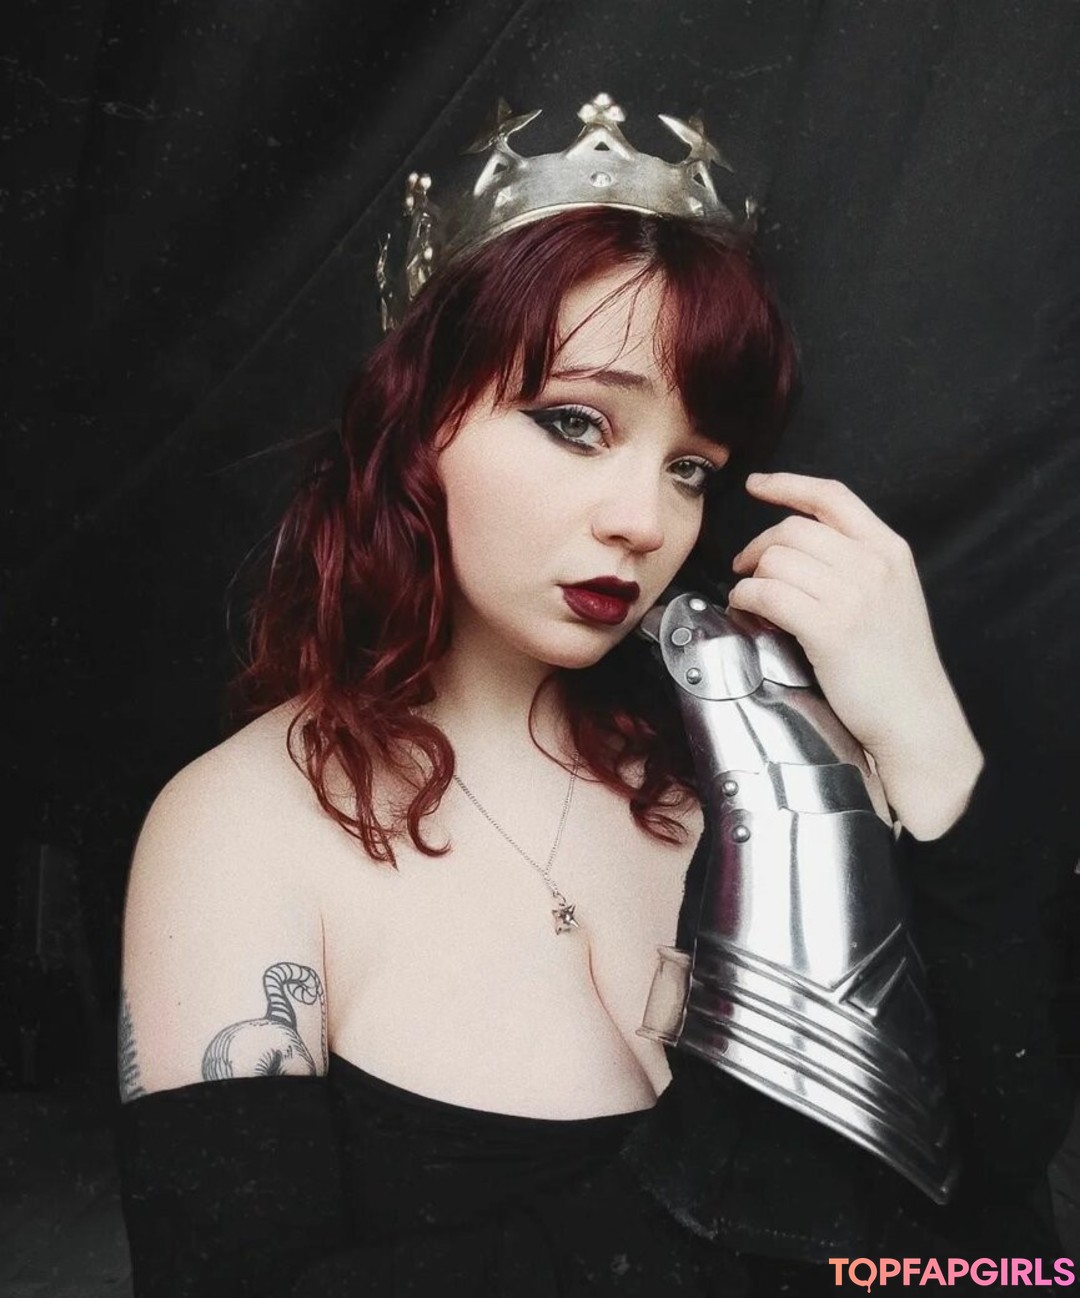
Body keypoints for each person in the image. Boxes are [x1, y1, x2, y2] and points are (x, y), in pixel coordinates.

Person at [115, 94, 1044, 1296]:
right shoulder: (239, 830)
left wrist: (927, 743)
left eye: (691, 467)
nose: (645, 520)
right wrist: (737, 1179)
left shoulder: (745, 771)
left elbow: (1000, 1213)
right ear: (414, 425)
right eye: (574, 422)